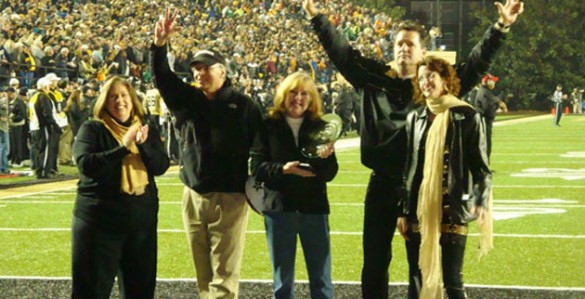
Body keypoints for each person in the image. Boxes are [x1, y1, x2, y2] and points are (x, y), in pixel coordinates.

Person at [302, 0, 523, 297]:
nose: (403, 48)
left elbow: (474, 65)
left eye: (410, 44)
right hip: (381, 182)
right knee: (375, 262)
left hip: (420, 185)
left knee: (419, 263)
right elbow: (340, 51)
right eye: (399, 43)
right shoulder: (372, 76)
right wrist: (317, 17)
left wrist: (501, 27)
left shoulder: (431, 85)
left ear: (423, 52)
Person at [151, 8, 265, 299]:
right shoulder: (188, 99)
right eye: (196, 68)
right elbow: (163, 78)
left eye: (206, 67)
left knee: (224, 275)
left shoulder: (244, 106)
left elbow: (263, 146)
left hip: (230, 197)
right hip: (193, 195)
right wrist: (159, 46)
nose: (199, 73)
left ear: (222, 71)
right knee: (203, 274)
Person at [397, 56, 492, 299]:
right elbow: (408, 168)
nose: (425, 82)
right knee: (418, 277)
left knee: (452, 280)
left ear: (445, 80)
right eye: (421, 78)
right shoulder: (414, 118)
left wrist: (481, 200)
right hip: (420, 210)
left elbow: (481, 168)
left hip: (453, 208)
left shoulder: (467, 117)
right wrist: (402, 211)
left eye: (431, 76)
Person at [71, 76, 169, 299]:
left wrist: (142, 146)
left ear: (133, 100)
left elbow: (160, 166)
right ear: (104, 102)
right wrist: (123, 148)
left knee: (140, 292)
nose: (120, 101)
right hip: (99, 226)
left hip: (141, 227)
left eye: (124, 95)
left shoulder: (146, 129)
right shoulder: (92, 129)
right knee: (91, 292)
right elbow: (86, 165)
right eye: (113, 96)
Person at [250, 72, 338, 299]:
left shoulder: (321, 126)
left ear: (311, 99)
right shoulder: (267, 125)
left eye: (304, 94)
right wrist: (283, 169)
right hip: (280, 210)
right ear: (283, 94)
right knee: (282, 282)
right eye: (293, 92)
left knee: (321, 280)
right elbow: (257, 168)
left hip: (314, 209)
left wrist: (327, 158)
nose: (298, 98)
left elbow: (329, 174)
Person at [473, 74, 500, 159]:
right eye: (493, 81)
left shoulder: (485, 92)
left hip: (485, 121)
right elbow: (487, 108)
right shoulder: (484, 92)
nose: (494, 83)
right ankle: (485, 166)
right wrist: (496, 105)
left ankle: (486, 166)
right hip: (484, 121)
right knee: (485, 143)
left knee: (486, 143)